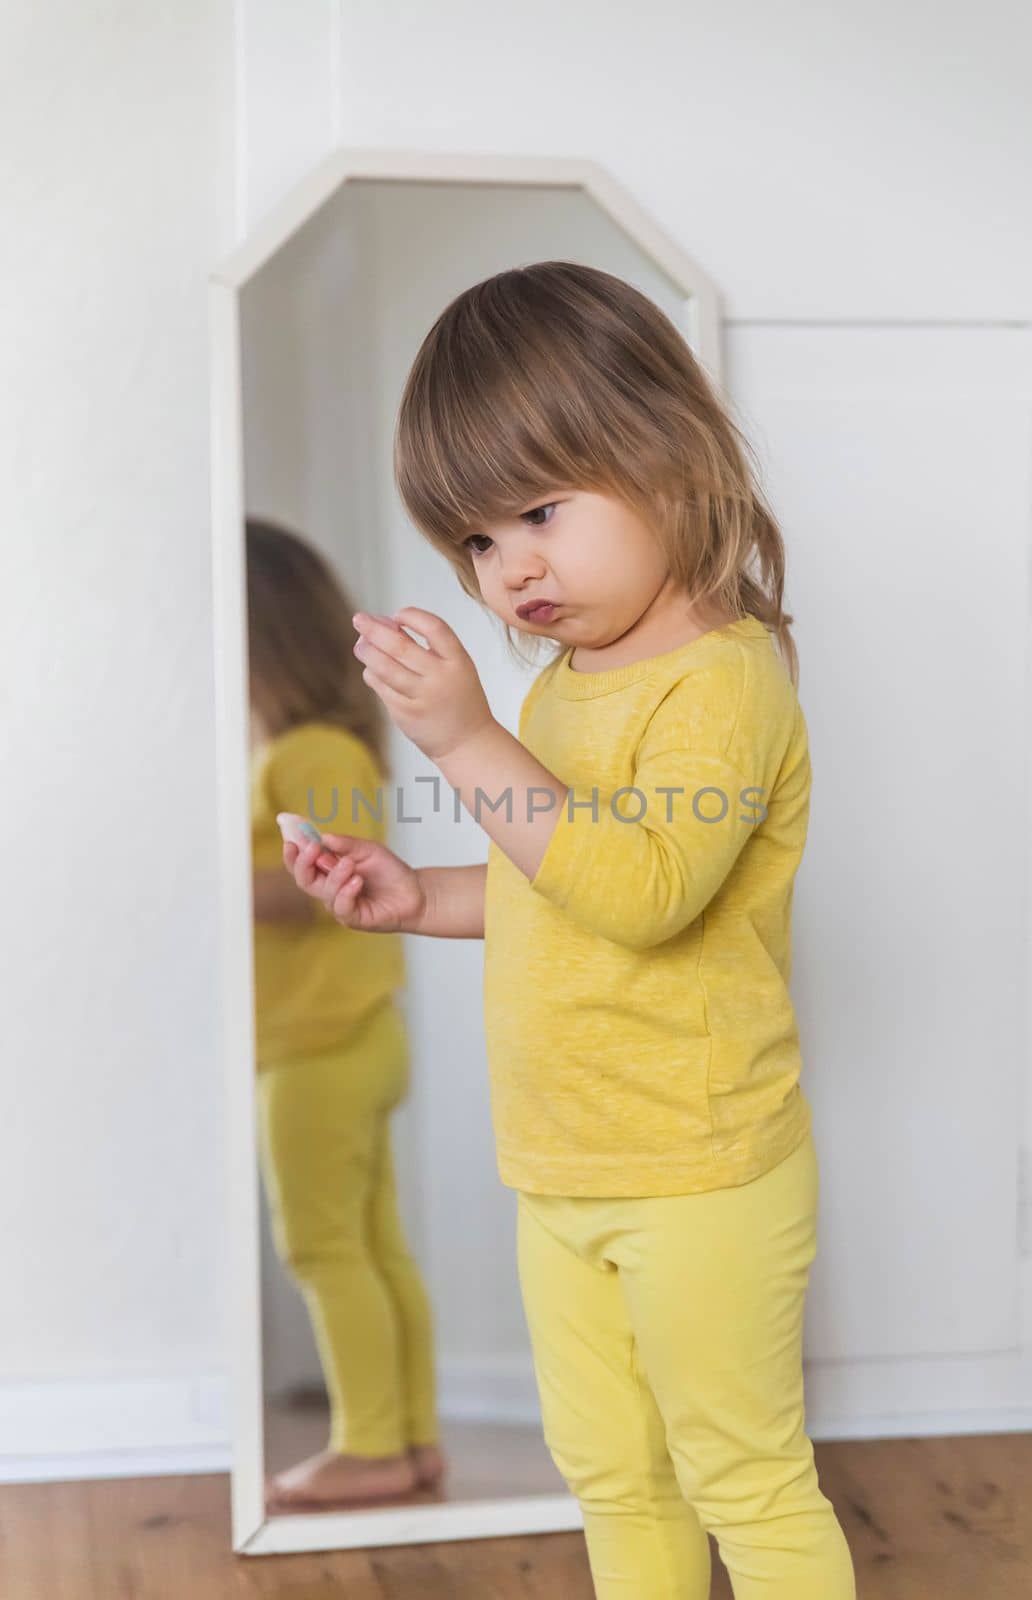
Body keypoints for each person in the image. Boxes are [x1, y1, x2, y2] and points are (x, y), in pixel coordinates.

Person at [281, 263, 856, 1596]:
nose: (511, 569)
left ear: (664, 453)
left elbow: (644, 891)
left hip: (697, 1170)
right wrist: (421, 895)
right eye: (476, 543)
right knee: (613, 1472)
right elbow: (558, 882)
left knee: (742, 1479)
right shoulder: (566, 686)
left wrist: (466, 736)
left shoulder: (723, 677)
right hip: (563, 1162)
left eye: (539, 510)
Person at [246, 518, 443, 1513]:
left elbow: (331, 871)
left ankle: (370, 1443)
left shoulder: (311, 749)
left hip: (321, 1040)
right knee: (371, 1243)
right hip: (351, 1033)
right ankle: (406, 1440)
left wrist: (212, 880)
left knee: (321, 1247)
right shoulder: (311, 747)